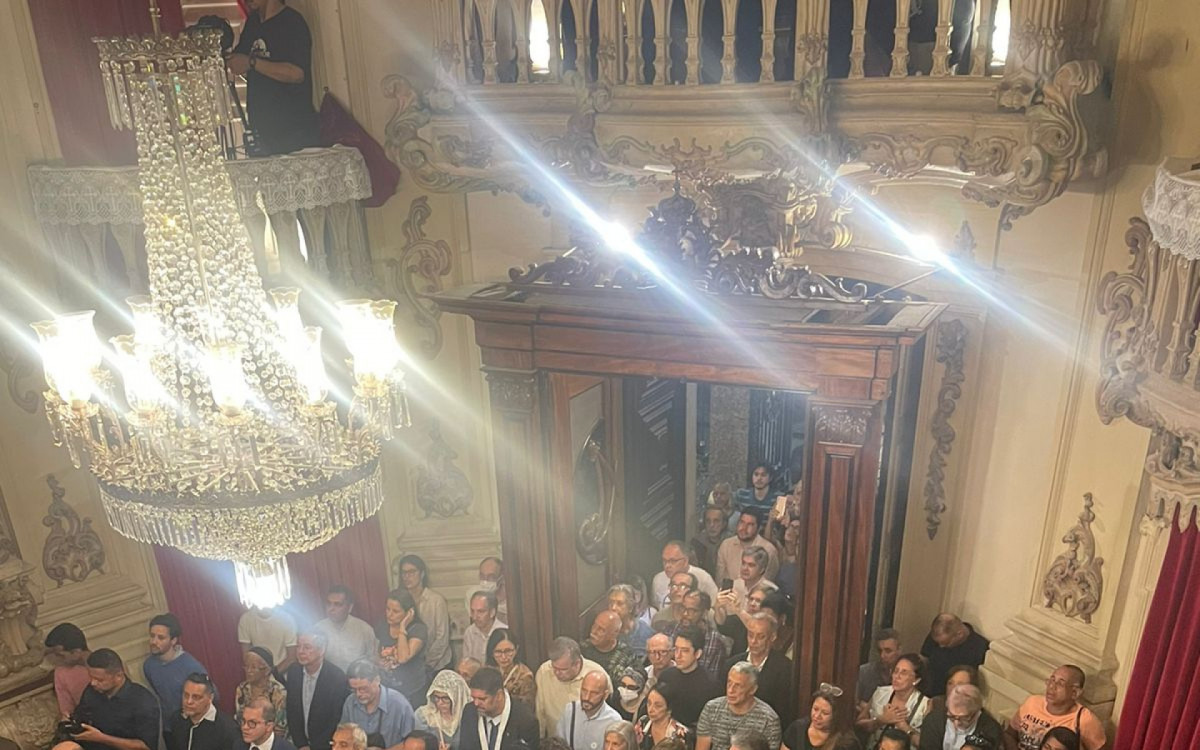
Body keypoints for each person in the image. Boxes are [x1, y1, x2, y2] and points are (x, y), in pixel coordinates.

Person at [226, 0, 320, 156]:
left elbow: (297, 74)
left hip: (293, 130)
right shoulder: (253, 22)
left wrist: (253, 63)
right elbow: (240, 61)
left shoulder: (292, 22)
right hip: (262, 130)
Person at [51, 648, 159, 750]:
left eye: (99, 680)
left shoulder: (143, 702)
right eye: (91, 677)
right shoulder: (91, 691)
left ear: (118, 676)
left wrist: (101, 738)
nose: (93, 683)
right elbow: (81, 715)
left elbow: (144, 746)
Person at [144, 613, 215, 734]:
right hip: (170, 728)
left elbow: (213, 696)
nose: (154, 641)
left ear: (173, 640)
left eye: (161, 638)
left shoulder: (190, 666)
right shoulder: (148, 665)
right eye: (152, 636)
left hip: (194, 727)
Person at [1003, 666, 1105, 750]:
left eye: (1060, 683)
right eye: (1052, 680)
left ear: (1075, 693)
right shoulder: (1032, 702)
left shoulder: (1085, 720)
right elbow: (1010, 734)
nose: (1052, 686)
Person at [720, 614, 792, 727]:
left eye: (760, 637)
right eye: (750, 635)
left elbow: (783, 711)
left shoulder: (785, 668)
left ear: (772, 637)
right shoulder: (731, 664)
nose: (753, 641)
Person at [284, 631, 350, 750]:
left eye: (307, 647)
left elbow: (336, 719)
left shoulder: (337, 678)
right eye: (298, 646)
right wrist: (301, 744)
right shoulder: (294, 671)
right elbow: (292, 710)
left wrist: (316, 747)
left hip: (326, 745)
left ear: (322, 650)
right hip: (299, 744)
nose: (300, 651)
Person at [535, 637, 613, 737]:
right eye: (554, 667)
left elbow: (608, 714)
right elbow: (540, 711)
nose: (556, 673)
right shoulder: (544, 671)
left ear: (577, 664)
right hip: (556, 742)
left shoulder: (598, 675)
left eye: (563, 669)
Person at [694, 662, 781, 750]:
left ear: (752, 689)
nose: (731, 690)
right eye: (729, 683)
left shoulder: (769, 719)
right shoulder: (711, 708)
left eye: (738, 686)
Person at [653, 626, 721, 729]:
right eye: (676, 649)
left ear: (697, 653)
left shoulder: (711, 685)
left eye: (684, 651)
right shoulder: (666, 676)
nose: (678, 655)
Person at [856, 653, 929, 748]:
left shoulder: (926, 705)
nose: (897, 677)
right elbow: (859, 725)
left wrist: (905, 728)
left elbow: (927, 745)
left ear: (917, 679)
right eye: (896, 671)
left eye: (904, 673)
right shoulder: (880, 693)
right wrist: (880, 720)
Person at [398, 555, 453, 678]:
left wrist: (427, 664)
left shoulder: (436, 600)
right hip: (410, 665)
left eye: (411, 572)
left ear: (422, 574)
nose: (407, 577)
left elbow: (442, 638)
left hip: (437, 665)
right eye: (404, 573)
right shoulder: (400, 600)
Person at [340, 659, 415, 748]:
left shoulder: (399, 705)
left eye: (363, 688)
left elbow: (412, 743)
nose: (358, 694)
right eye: (354, 689)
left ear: (377, 680)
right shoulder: (350, 702)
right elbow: (342, 736)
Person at [461, 666, 540, 750]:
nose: (476, 703)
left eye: (482, 699)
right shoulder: (469, 712)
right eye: (473, 698)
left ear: (499, 695)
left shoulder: (526, 721)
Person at [377, 588, 430, 707]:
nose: (389, 614)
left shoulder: (418, 629)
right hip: (388, 691)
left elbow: (403, 658)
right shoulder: (382, 626)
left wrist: (402, 627)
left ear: (408, 613)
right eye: (387, 609)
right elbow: (375, 652)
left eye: (395, 611)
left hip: (413, 692)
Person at [919, 615, 989, 698]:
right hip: (926, 693)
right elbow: (924, 659)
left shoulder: (980, 648)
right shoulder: (938, 635)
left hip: (954, 698)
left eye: (946, 643)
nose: (941, 646)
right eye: (938, 643)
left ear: (960, 634)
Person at [659, 593, 725, 679]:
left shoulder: (715, 641)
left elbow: (710, 679)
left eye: (691, 610)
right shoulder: (669, 630)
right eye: (683, 608)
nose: (685, 614)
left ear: (704, 612)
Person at [165, 673, 239, 750]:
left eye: (196, 697)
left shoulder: (228, 729)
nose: (189, 701)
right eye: (186, 695)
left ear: (210, 698)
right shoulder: (177, 718)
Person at [917, 684, 1000, 750]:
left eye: (964, 718)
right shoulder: (933, 721)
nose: (956, 723)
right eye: (952, 716)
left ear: (976, 712)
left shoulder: (990, 729)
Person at [315, 586, 378, 672]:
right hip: (329, 681)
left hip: (357, 681)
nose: (331, 609)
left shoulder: (364, 629)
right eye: (328, 604)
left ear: (350, 607)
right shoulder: (317, 629)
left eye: (337, 604)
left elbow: (373, 660)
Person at [554, 670, 622, 750]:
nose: (586, 697)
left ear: (605, 695)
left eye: (594, 693)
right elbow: (558, 744)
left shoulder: (613, 721)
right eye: (584, 691)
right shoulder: (570, 710)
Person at [781, 683, 857, 750]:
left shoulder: (847, 742)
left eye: (825, 713)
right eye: (815, 709)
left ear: (836, 716)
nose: (817, 716)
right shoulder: (797, 729)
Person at [715, 512, 780, 585]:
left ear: (759, 528)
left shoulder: (768, 550)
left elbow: (766, 585)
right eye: (742, 522)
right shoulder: (726, 545)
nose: (744, 528)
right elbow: (720, 580)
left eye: (750, 525)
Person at [651, 542, 720, 610]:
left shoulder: (703, 577)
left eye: (672, 561)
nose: (667, 565)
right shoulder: (658, 579)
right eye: (664, 561)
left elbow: (714, 605)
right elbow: (656, 607)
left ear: (685, 561)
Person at [238, 647, 289, 736]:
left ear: (267, 670)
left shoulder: (279, 692)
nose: (249, 671)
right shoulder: (242, 688)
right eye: (247, 666)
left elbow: (280, 728)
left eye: (254, 667)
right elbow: (240, 719)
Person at [415, 670, 471, 750]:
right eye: (436, 697)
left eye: (445, 698)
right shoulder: (424, 716)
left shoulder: (469, 717)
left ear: (456, 698)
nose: (440, 703)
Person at [44, 622, 91, 717]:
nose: (57, 659)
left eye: (60, 655)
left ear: (76, 652)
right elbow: (67, 711)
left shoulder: (108, 662)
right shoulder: (61, 673)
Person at [715, 583, 772, 659]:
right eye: (751, 599)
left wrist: (739, 610)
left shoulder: (770, 624)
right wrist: (718, 607)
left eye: (758, 601)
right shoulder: (739, 619)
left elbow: (754, 625)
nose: (752, 604)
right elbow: (721, 623)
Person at [583, 610, 639, 684]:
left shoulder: (626, 654)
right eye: (594, 626)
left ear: (613, 634)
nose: (594, 631)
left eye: (601, 630)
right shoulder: (583, 649)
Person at [239, 607, 299, 676]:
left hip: (284, 675)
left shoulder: (287, 619)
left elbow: (292, 657)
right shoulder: (246, 619)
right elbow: (246, 656)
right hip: (258, 674)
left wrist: (270, 675)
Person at [488, 629, 537, 711]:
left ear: (516, 649)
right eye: (498, 652)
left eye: (508, 651)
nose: (503, 657)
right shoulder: (487, 671)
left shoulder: (525, 676)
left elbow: (527, 708)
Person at [856, 629, 902, 710]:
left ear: (899, 651)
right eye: (879, 651)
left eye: (888, 651)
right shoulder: (864, 672)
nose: (882, 655)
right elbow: (854, 702)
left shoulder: (904, 676)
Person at [635, 685, 691, 750]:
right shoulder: (642, 722)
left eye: (658, 706)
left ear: (669, 709)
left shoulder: (681, 733)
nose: (650, 709)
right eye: (649, 703)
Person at [609, 585, 655, 659]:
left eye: (619, 604)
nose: (613, 608)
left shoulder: (645, 632)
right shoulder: (605, 632)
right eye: (611, 603)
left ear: (630, 607)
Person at [464, 590, 508, 666]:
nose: (474, 617)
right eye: (472, 611)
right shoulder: (469, 632)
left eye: (480, 611)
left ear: (492, 613)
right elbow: (467, 663)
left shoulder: (504, 632)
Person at [689, 507, 731, 579]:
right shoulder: (697, 542)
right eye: (708, 521)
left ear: (724, 524)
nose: (711, 525)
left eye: (716, 521)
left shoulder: (731, 542)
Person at [464, 557, 509, 624]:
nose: (485, 580)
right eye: (482, 576)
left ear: (501, 578)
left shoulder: (512, 598)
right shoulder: (472, 595)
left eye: (491, 577)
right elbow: (475, 623)